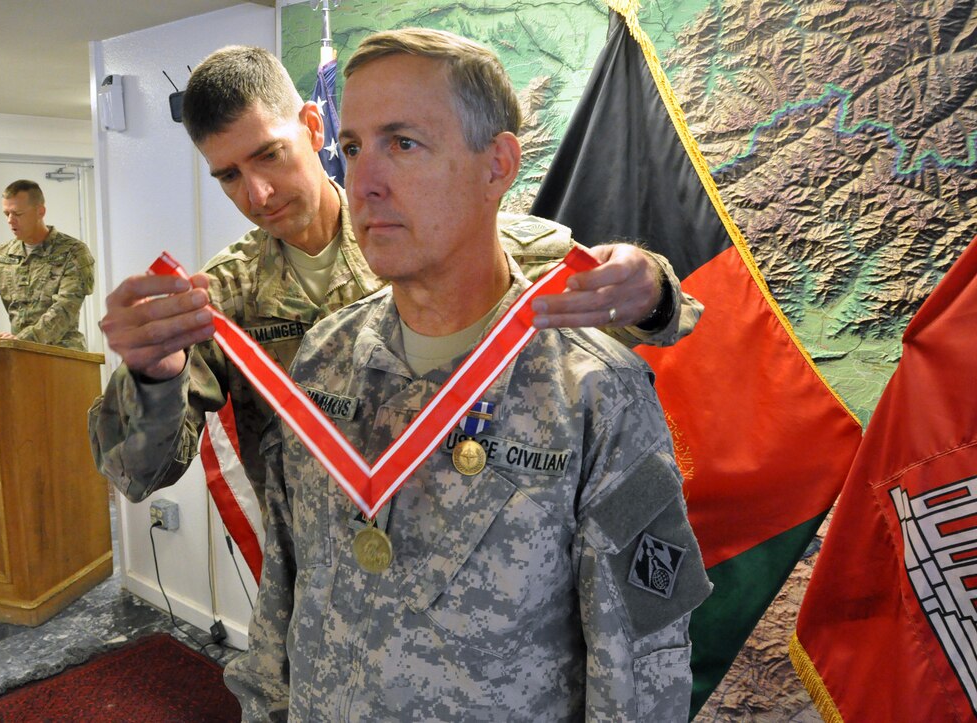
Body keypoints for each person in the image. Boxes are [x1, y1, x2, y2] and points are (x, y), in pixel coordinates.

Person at [227, 28, 711, 721]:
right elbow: (286, 582)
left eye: (403, 143)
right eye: (354, 146)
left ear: (497, 165)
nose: (362, 182)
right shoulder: (323, 356)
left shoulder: (594, 389)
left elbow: (644, 659)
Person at [88, 44, 701, 507]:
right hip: (320, 585)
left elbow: (666, 322)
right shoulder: (223, 297)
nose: (258, 192)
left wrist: (648, 286)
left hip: (479, 574)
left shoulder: (470, 241)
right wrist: (151, 377)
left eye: (268, 154)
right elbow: (137, 474)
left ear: (312, 126)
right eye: (227, 175)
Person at [0, 180, 95, 351]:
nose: (10, 221)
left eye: (18, 214)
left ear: (40, 211)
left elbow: (65, 308)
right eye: (6, 214)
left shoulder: (73, 252)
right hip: (19, 354)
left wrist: (22, 340)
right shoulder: (1, 255)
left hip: (62, 355)